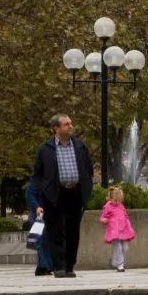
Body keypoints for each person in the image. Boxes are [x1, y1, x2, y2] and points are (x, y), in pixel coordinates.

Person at [32, 114, 94, 278]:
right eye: (66, 124)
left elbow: (89, 169)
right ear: (56, 128)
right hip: (54, 195)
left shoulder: (80, 146)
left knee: (73, 231)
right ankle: (58, 267)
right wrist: (42, 193)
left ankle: (69, 266)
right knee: (55, 231)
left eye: (70, 123)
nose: (70, 126)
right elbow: (37, 174)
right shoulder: (45, 149)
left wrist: (86, 186)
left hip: (75, 194)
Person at [99, 186, 136, 272]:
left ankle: (115, 262)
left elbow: (125, 216)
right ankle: (120, 265)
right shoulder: (108, 207)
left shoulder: (121, 206)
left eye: (119, 200)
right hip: (114, 231)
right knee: (118, 248)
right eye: (115, 200)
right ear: (110, 198)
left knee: (125, 248)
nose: (117, 202)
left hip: (123, 230)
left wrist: (128, 225)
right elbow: (102, 217)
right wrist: (104, 220)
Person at [25, 179, 53, 276]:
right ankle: (43, 266)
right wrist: (36, 206)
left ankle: (45, 266)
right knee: (41, 239)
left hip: (46, 214)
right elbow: (29, 194)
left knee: (46, 240)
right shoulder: (36, 182)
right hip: (37, 214)